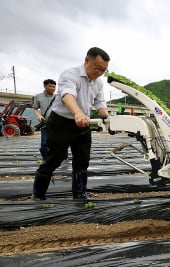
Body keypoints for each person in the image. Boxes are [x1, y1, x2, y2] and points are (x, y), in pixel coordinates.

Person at [32, 47, 110, 200]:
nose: (99, 73)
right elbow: (67, 95)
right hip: (61, 123)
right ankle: (38, 194)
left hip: (83, 124)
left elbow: (100, 102)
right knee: (55, 158)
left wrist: (106, 117)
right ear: (87, 60)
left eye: (103, 70)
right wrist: (78, 112)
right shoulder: (70, 74)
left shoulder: (98, 83)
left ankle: (80, 194)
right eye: (97, 68)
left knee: (82, 160)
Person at [32, 79, 57, 160]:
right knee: (44, 144)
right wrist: (38, 116)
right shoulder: (37, 97)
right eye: (51, 86)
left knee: (60, 142)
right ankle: (46, 160)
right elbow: (35, 109)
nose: (53, 88)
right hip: (45, 124)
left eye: (54, 86)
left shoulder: (58, 97)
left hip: (57, 123)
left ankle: (64, 159)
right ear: (45, 86)